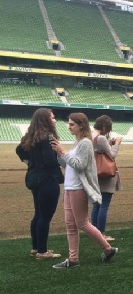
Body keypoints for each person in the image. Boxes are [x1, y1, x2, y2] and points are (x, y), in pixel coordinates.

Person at [50, 112, 118, 268]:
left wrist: (64, 152)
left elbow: (79, 164)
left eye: (72, 124)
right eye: (68, 123)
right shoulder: (77, 143)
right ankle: (73, 259)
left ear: (81, 125)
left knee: (83, 223)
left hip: (78, 188)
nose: (69, 126)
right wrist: (59, 152)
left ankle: (108, 249)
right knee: (70, 225)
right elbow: (67, 164)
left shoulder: (86, 143)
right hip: (69, 188)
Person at [15, 108, 64, 259]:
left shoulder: (30, 137)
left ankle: (36, 248)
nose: (55, 120)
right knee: (45, 216)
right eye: (52, 117)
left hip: (34, 179)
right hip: (47, 180)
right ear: (46, 120)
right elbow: (50, 161)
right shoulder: (48, 137)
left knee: (38, 214)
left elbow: (19, 150)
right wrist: (60, 153)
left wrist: (30, 163)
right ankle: (43, 251)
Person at [91, 115, 122, 241]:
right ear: (104, 127)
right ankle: (101, 234)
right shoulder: (101, 138)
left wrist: (110, 144)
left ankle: (94, 231)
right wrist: (117, 144)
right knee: (104, 206)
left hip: (95, 173)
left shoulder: (90, 136)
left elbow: (101, 151)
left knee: (96, 205)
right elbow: (112, 155)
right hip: (105, 175)